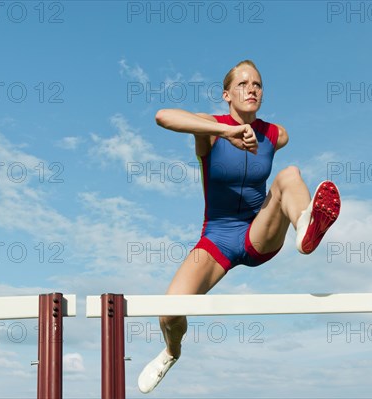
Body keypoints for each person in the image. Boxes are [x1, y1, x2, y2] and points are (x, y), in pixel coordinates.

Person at [137, 60, 341, 393]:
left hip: (258, 230)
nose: (252, 89)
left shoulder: (276, 135)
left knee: (290, 176)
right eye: (243, 84)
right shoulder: (209, 129)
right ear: (227, 94)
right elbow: (163, 116)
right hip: (218, 238)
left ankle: (304, 228)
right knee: (169, 312)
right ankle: (171, 352)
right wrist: (227, 132)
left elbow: (279, 152)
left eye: (258, 84)